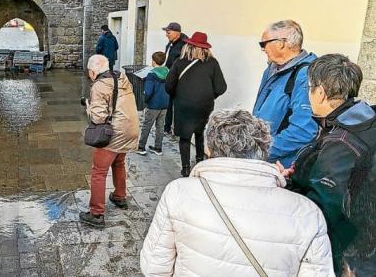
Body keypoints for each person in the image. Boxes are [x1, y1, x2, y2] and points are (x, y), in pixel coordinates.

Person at [140, 109, 335, 276]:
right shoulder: (307, 214)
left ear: (209, 148)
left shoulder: (179, 193)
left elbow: (154, 268)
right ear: (264, 148)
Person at [282, 54, 376, 275]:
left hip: (349, 256)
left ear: (321, 93)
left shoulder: (342, 142)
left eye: (310, 88)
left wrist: (287, 188)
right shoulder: (363, 121)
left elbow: (323, 207)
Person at [79, 55, 140, 228]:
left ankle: (96, 214)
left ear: (92, 72)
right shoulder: (121, 77)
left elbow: (99, 118)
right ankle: (119, 197)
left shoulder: (99, 86)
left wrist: (89, 106)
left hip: (114, 133)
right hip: (131, 129)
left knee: (98, 172)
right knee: (119, 163)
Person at [253, 20, 317, 167]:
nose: (262, 49)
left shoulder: (305, 74)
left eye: (263, 44)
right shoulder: (271, 69)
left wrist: (262, 151)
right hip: (264, 159)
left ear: (281, 43)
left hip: (282, 165)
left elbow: (304, 129)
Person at [165, 32, 226, 177]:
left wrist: (177, 95)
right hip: (204, 106)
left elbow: (168, 85)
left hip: (183, 105)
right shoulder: (212, 63)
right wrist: (209, 96)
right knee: (200, 134)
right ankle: (199, 162)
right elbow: (221, 87)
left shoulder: (179, 62)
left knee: (185, 138)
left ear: (189, 46)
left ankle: (185, 168)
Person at [137, 51, 169, 156]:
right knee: (160, 126)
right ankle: (158, 148)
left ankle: (141, 147)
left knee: (147, 125)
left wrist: (146, 100)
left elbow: (149, 91)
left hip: (153, 104)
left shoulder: (151, 74)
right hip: (165, 104)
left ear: (153, 61)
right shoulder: (168, 71)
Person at [161, 22, 188, 134]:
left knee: (178, 105)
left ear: (177, 33)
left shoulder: (184, 45)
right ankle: (167, 127)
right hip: (170, 77)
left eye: (168, 32)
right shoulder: (172, 42)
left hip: (179, 80)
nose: (166, 35)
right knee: (169, 102)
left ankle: (178, 129)